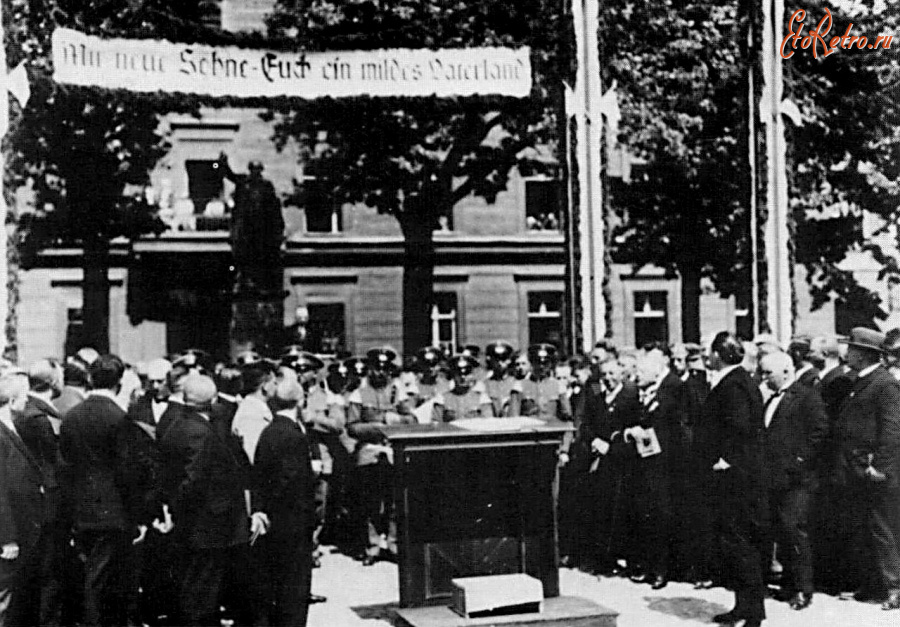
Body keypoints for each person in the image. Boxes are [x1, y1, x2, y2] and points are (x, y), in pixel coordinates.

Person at [161, 374, 265, 626]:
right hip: (207, 526)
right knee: (202, 596)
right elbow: (193, 482)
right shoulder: (201, 433)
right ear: (213, 399)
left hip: (196, 526)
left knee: (195, 590)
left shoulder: (176, 425)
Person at [59, 355, 133, 627]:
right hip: (113, 509)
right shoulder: (119, 417)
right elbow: (127, 470)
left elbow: (64, 465)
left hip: (81, 506)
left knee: (92, 571)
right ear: (119, 383)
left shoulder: (72, 416)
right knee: (104, 578)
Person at [835, 328, 900, 609]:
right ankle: (872, 586)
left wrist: (881, 467)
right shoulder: (859, 381)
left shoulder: (884, 384)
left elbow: (892, 429)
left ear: (862, 354)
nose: (846, 353)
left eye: (850, 349)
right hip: (855, 468)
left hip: (874, 470)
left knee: (882, 529)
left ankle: (894, 587)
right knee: (863, 528)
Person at [705, 332, 767, 627]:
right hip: (740, 475)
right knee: (737, 543)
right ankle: (743, 606)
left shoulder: (734, 385)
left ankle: (752, 612)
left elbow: (740, 428)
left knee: (741, 543)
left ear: (718, 354)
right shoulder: (738, 380)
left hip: (737, 478)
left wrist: (726, 460)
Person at [759, 351, 829, 611]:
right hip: (775, 478)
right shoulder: (771, 399)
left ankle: (803, 588)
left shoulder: (807, 396)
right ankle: (789, 583)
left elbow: (820, 432)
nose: (764, 378)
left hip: (798, 480)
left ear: (786, 372)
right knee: (781, 529)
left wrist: (798, 462)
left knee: (794, 528)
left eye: (769, 373)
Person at [253, 378, 317, 627]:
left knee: (278, 583)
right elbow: (290, 482)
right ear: (300, 401)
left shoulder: (269, 431)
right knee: (295, 588)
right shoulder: (292, 435)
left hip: (276, 520)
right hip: (293, 521)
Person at [346, 348, 414, 565]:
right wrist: (379, 428)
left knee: (396, 501)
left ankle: (394, 544)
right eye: (376, 368)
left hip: (394, 451)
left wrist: (392, 420)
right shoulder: (359, 393)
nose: (380, 373)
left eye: (385, 368)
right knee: (370, 502)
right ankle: (372, 545)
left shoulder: (398, 391)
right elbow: (353, 427)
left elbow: (411, 420)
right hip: (369, 450)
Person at [0, 369, 53, 627]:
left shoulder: (11, 429)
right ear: (11, 402)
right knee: (6, 601)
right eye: (24, 398)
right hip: (13, 532)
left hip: (24, 527)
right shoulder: (1, 435)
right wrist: (7, 536)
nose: (27, 403)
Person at [15, 359, 65, 626]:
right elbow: (54, 463)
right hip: (47, 504)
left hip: (32, 503)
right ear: (54, 381)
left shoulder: (26, 411)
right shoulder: (40, 417)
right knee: (49, 572)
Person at [628, 351, 683, 590]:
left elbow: (677, 427)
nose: (636, 376)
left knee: (661, 516)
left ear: (655, 371)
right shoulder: (647, 392)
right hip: (647, 463)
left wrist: (646, 434)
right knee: (647, 513)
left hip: (666, 465)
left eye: (640, 372)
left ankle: (662, 569)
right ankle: (650, 566)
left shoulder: (674, 388)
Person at [583, 357, 641, 575]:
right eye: (604, 374)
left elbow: (632, 428)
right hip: (600, 459)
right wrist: (594, 440)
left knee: (622, 509)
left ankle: (623, 557)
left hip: (622, 462)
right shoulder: (597, 397)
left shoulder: (630, 396)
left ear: (621, 375)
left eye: (612, 374)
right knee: (602, 508)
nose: (608, 378)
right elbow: (587, 423)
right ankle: (604, 559)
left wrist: (612, 445)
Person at [219, 153, 284, 299]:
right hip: (246, 226)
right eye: (253, 169)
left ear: (261, 170)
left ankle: (259, 283)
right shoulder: (243, 182)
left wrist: (277, 230)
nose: (255, 172)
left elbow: (274, 207)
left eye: (258, 169)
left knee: (260, 255)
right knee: (243, 255)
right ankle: (244, 281)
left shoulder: (266, 186)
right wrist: (222, 163)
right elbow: (230, 175)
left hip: (261, 227)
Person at [434, 355, 494, 422]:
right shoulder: (442, 399)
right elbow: (436, 426)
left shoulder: (482, 398)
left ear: (472, 375)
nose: (463, 377)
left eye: (466, 373)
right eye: (459, 374)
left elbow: (489, 424)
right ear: (453, 375)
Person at [483, 342, 517, 417]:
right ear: (490, 360)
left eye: (503, 359)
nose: (499, 362)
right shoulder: (484, 385)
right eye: (496, 359)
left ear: (509, 360)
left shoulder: (516, 383)